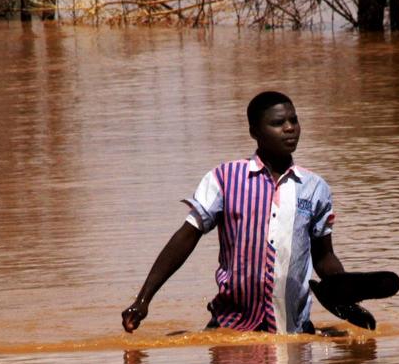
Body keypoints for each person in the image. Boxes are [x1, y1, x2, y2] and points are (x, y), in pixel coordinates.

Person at [122, 91, 361, 335]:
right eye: (278, 123)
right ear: (254, 132)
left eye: (294, 120)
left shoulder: (315, 187)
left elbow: (323, 256)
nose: (289, 128)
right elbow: (186, 237)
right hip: (231, 328)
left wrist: (348, 300)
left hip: (292, 330)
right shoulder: (225, 179)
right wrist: (143, 300)